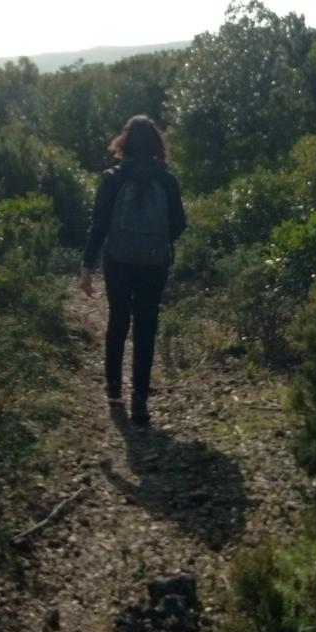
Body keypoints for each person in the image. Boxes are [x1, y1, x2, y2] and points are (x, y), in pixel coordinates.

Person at [79, 114, 186, 427]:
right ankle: (140, 399)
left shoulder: (112, 178)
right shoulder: (167, 180)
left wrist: (88, 265)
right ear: (156, 143)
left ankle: (113, 387)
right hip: (154, 261)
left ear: (123, 142)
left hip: (118, 259)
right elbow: (179, 223)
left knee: (118, 318)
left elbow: (98, 225)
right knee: (146, 325)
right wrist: (159, 241)